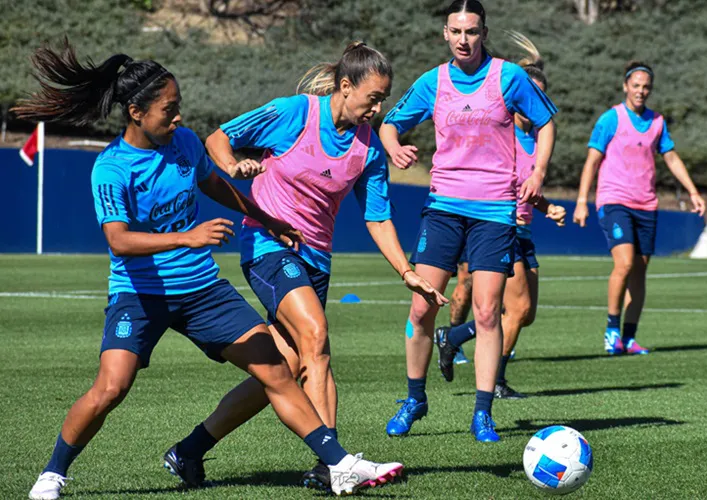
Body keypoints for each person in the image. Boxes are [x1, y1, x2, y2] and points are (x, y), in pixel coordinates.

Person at [14, 40, 402, 500]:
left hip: (202, 292)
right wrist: (188, 237)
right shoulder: (112, 168)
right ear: (136, 113)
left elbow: (214, 183)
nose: (178, 117)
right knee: (111, 388)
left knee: (278, 369)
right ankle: (53, 473)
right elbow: (119, 240)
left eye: (178, 106)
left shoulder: (183, 143)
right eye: (168, 109)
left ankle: (338, 463)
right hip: (140, 296)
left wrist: (270, 218)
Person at [166, 42, 447, 492]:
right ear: (344, 86)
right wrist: (234, 165)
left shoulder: (369, 150)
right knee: (316, 337)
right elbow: (217, 139)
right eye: (372, 97)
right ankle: (332, 464)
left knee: (280, 370)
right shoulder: (294, 113)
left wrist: (406, 271)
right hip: (267, 246)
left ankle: (189, 451)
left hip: (316, 261)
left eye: (384, 100)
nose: (378, 108)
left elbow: (377, 216)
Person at [379, 0, 558, 443]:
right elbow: (388, 124)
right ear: (445, 33)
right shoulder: (433, 82)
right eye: (456, 31)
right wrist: (394, 148)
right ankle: (414, 398)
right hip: (443, 206)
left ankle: (482, 412)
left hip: (495, 210)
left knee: (486, 312)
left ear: (484, 33)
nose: (464, 39)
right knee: (422, 305)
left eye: (472, 31)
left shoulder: (508, 77)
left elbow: (547, 122)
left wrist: (537, 173)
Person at [435, 31, 566, 400]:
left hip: (523, 228)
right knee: (504, 306)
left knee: (524, 313)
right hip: (498, 225)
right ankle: (493, 381)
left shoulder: (537, 141)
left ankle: (455, 336)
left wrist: (546, 206)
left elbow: (525, 186)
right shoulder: (502, 134)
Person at [572, 60, 706, 355]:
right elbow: (592, 161)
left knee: (640, 272)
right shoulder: (611, 119)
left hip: (646, 203)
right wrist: (582, 201)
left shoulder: (657, 122)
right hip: (614, 200)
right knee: (625, 263)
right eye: (636, 86)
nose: (641, 91)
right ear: (625, 87)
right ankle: (611, 330)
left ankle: (629, 338)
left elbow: (670, 157)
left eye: (646, 87)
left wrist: (693, 191)